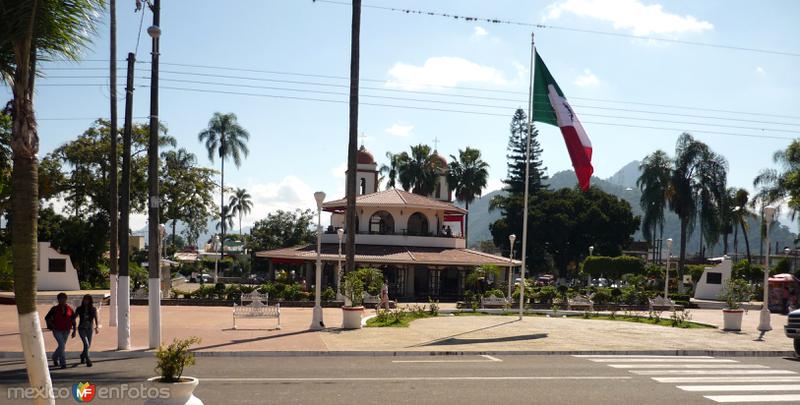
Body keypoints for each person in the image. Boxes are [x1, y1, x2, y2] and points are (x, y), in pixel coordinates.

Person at [44, 293, 75, 369]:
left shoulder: (70, 309)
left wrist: (74, 330)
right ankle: (63, 363)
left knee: (62, 346)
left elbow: (73, 319)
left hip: (67, 330)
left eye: (64, 298)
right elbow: (47, 317)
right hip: (57, 330)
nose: (62, 300)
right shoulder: (54, 309)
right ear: (58, 300)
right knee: (62, 345)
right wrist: (52, 325)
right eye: (61, 299)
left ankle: (54, 357)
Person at [73, 294, 99, 367]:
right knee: (86, 344)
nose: (86, 301)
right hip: (81, 328)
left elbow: (96, 318)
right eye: (85, 299)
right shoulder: (79, 308)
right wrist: (74, 328)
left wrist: (97, 327)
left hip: (89, 329)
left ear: (90, 301)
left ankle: (82, 355)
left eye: (88, 300)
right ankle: (88, 360)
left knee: (88, 345)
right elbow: (74, 318)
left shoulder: (93, 309)